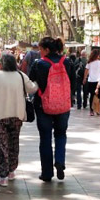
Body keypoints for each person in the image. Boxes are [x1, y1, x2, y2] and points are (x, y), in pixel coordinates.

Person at [0, 54, 38, 186]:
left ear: (2, 64)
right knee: (13, 144)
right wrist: (39, 81)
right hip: (17, 115)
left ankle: (3, 176)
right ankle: (11, 171)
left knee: (1, 146)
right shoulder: (21, 76)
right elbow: (32, 88)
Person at [29, 37, 75, 182]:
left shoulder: (39, 64)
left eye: (41, 49)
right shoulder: (67, 62)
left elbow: (31, 84)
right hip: (63, 106)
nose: (40, 52)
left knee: (45, 138)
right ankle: (60, 161)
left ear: (47, 50)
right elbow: (74, 83)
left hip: (44, 106)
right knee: (61, 134)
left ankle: (47, 173)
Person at [83, 49, 100, 116]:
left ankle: (91, 110)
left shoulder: (89, 62)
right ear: (97, 55)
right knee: (98, 96)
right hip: (99, 81)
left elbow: (86, 71)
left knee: (92, 95)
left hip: (91, 80)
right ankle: (97, 110)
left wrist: (84, 78)